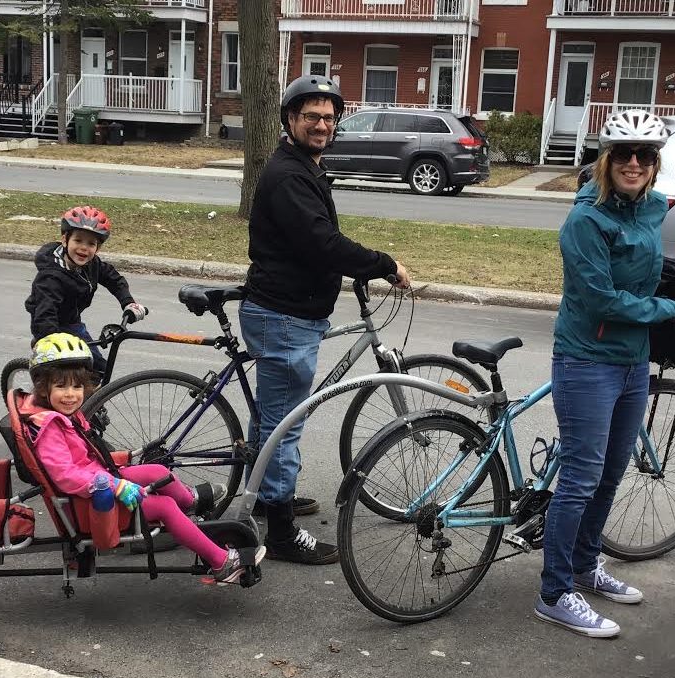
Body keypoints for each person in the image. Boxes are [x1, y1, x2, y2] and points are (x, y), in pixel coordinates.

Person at [240, 74, 412, 565]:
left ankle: (265, 494)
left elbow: (316, 242)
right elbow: (322, 243)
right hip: (284, 314)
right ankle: (279, 531)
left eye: (328, 118)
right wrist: (382, 263)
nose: (321, 125)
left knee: (274, 414)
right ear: (290, 120)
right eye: (311, 116)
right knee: (285, 421)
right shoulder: (290, 176)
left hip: (288, 310)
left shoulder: (303, 168)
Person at [531, 109, 675, 638]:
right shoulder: (585, 221)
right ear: (606, 160)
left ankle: (584, 564)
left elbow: (645, 268)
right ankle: (554, 592)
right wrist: (664, 309)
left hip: (633, 362)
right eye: (623, 154)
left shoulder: (654, 208)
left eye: (645, 154)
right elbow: (600, 299)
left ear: (655, 163)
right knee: (580, 478)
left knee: (611, 473)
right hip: (587, 360)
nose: (634, 163)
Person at [26, 333, 257, 585]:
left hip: (97, 482)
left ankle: (189, 502)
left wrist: (116, 469)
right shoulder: (50, 429)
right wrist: (115, 485)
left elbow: (83, 459)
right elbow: (66, 476)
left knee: (157, 470)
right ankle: (222, 563)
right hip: (91, 502)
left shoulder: (61, 416)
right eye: (61, 386)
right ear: (44, 388)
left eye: (77, 387)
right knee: (165, 507)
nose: (70, 394)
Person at [25, 206, 147, 376]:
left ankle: (88, 393)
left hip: (73, 324)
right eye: (78, 240)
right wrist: (50, 341)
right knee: (63, 377)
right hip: (50, 327)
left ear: (98, 248)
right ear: (65, 240)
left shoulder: (92, 264)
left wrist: (129, 303)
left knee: (98, 369)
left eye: (91, 243)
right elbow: (45, 311)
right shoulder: (51, 277)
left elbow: (114, 279)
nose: (84, 248)